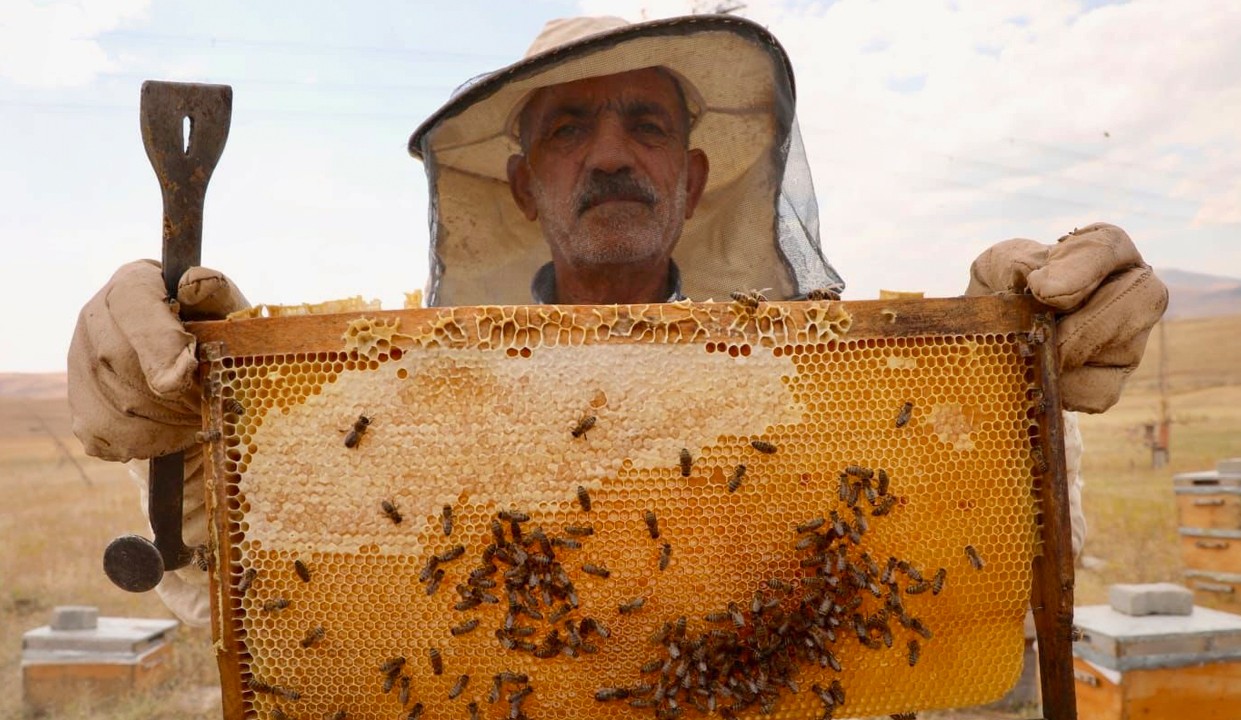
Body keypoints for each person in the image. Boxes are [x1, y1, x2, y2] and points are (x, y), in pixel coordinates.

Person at [67, 15, 1167, 627]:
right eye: (567, 130)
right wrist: (182, 427)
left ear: (690, 180)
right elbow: (249, 583)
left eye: (643, 123)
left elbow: (981, 571)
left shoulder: (823, 401)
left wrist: (1009, 368)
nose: (607, 154)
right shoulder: (410, 412)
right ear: (519, 187)